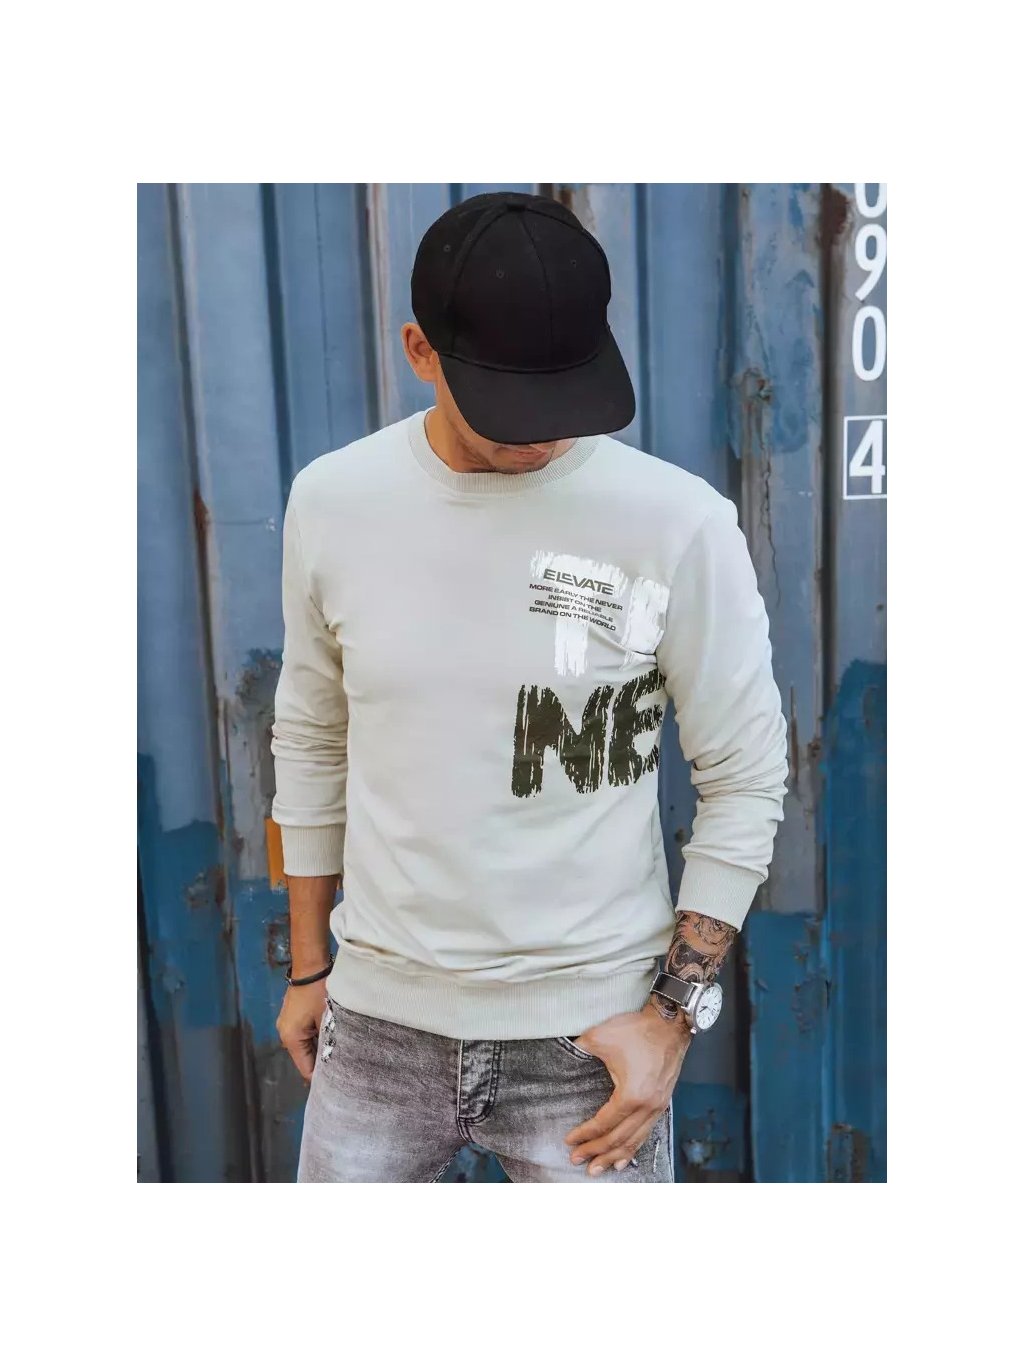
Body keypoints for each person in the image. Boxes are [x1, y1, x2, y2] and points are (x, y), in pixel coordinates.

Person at [271, 190, 788, 1183]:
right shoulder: (334, 502)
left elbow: (745, 776)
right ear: (420, 353)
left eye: (567, 394)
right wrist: (308, 967)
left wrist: (672, 1018)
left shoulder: (675, 521)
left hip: (588, 1039)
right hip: (375, 1025)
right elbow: (310, 736)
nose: (542, 433)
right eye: (511, 402)